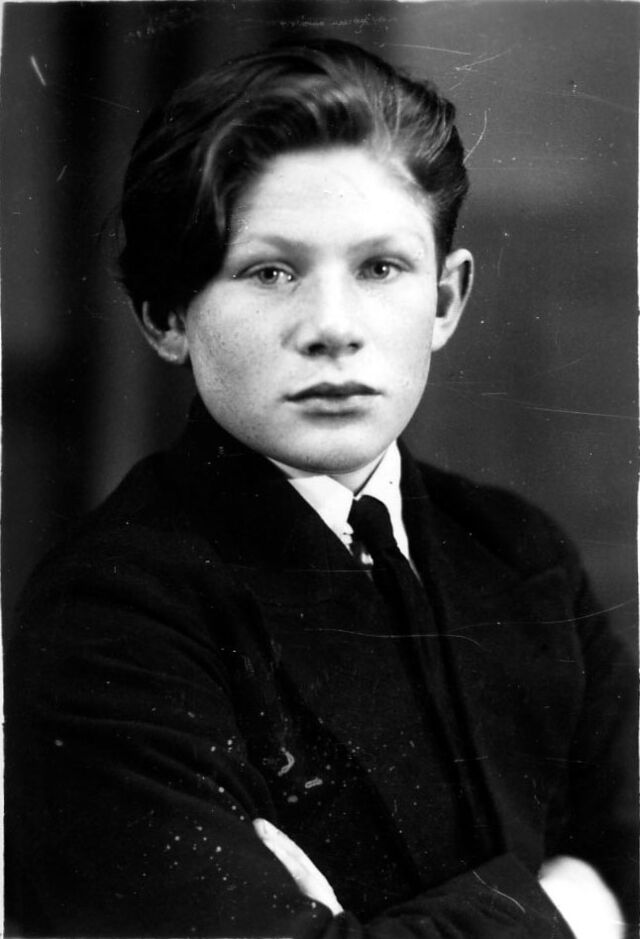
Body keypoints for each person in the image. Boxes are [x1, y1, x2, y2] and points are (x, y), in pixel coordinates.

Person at [5, 37, 636, 939]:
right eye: (270, 271)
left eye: (380, 267)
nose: (333, 327)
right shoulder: (109, 615)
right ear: (165, 315)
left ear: (446, 299)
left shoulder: (520, 554)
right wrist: (574, 907)